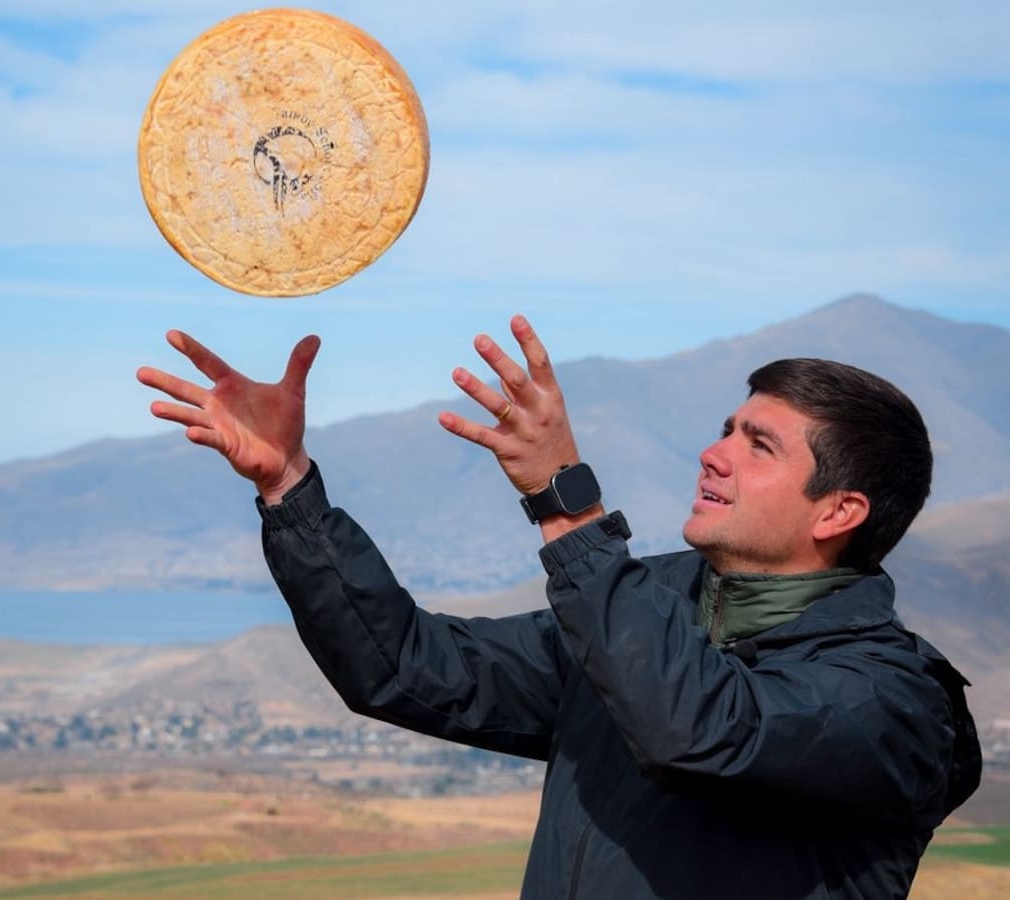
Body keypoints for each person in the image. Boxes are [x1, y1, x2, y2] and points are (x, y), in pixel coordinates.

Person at [137, 315, 981, 900]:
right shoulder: (646, 608)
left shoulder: (892, 701)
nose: (713, 454)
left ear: (839, 512)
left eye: (757, 446)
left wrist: (564, 504)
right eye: (727, 428)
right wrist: (290, 490)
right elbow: (406, 669)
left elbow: (700, 732)